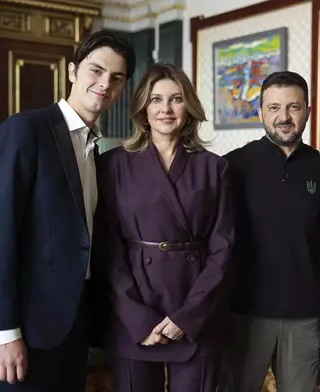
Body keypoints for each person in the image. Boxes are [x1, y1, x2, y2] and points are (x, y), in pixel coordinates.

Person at [0, 29, 136, 391]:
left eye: (116, 77)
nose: (104, 83)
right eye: (96, 71)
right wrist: (3, 332)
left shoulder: (97, 151)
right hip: (25, 330)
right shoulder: (24, 131)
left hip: (75, 326)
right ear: (72, 71)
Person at [98, 62, 234, 392]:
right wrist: (137, 317)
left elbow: (224, 249)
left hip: (195, 309)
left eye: (175, 99)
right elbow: (107, 249)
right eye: (156, 99)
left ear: (189, 107)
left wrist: (189, 316)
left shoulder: (214, 168)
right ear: (143, 108)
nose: (165, 109)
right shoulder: (113, 164)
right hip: (134, 311)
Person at [218, 71, 320, 392]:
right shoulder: (231, 167)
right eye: (273, 108)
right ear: (260, 113)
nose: (284, 117)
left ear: (307, 111)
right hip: (244, 314)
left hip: (303, 316)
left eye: (293, 107)